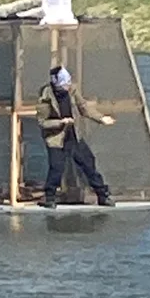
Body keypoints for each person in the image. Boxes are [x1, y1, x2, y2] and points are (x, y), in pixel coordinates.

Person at [36, 66, 115, 209]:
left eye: (68, 82)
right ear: (57, 84)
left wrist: (101, 118)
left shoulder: (72, 90)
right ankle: (50, 197)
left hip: (74, 135)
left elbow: (84, 107)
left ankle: (103, 195)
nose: (68, 86)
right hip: (56, 138)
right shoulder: (46, 97)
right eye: (64, 83)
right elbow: (43, 123)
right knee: (56, 167)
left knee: (88, 163)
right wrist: (61, 122)